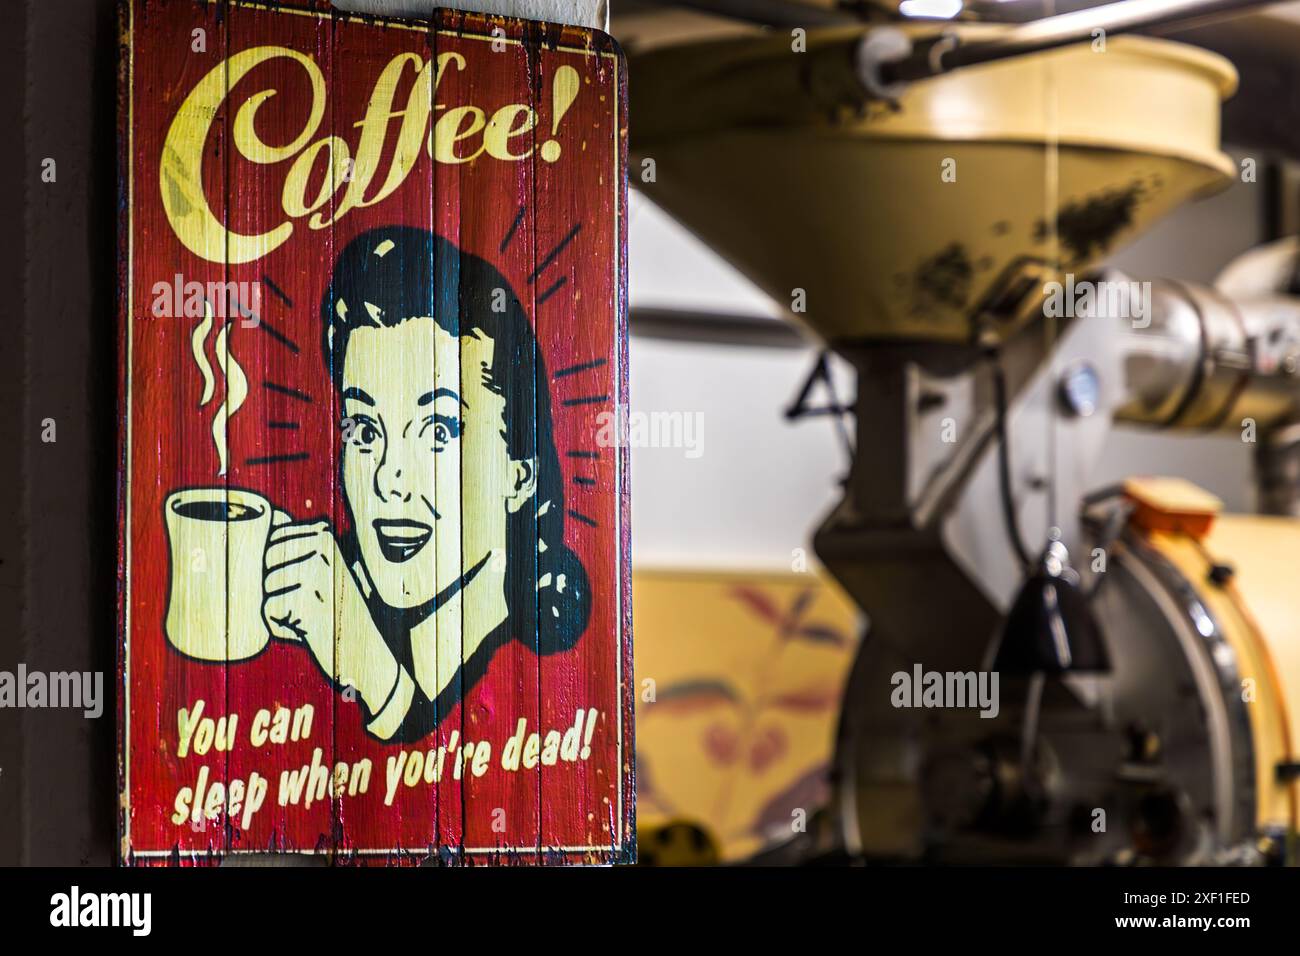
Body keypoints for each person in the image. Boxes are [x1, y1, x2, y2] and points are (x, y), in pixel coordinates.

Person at [261, 225, 589, 742]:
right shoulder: (328, 624)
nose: (390, 479)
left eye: (439, 430)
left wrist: (369, 669)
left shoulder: (529, 678)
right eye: (365, 429)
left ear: (518, 473)